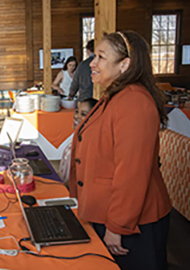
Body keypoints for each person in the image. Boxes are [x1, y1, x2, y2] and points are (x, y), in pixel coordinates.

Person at [69, 31, 171, 270]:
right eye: (94, 56)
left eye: (101, 57)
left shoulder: (135, 102)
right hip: (108, 212)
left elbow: (132, 174)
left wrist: (117, 226)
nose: (92, 63)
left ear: (124, 64)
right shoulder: (116, 96)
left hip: (132, 221)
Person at [59, 98, 97, 184]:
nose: (76, 116)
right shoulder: (77, 137)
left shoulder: (90, 144)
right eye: (77, 111)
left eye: (83, 114)